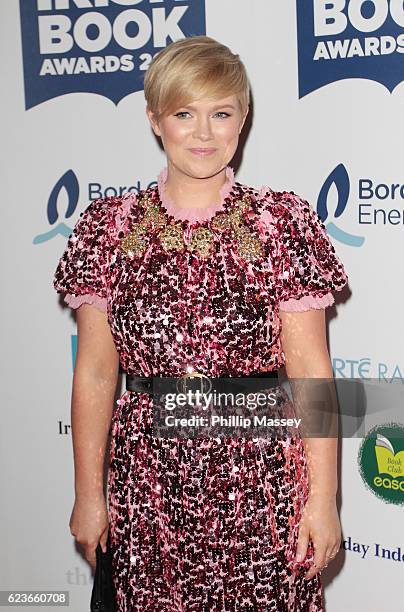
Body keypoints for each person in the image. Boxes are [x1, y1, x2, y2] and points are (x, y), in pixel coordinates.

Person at [53, 35, 348, 611]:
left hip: (261, 481)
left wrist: (323, 500)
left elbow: (312, 370)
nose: (205, 134)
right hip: (147, 484)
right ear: (154, 119)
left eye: (222, 114)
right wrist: (89, 496)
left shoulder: (280, 223)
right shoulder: (108, 227)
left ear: (243, 120)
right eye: (185, 114)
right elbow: (93, 373)